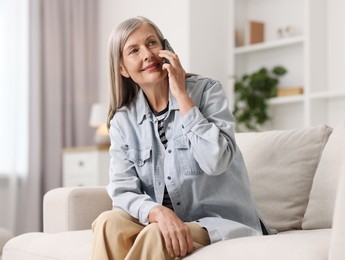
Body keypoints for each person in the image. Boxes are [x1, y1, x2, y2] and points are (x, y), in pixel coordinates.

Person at [91, 16, 268, 260]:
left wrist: (181, 95)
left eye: (152, 43)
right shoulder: (123, 120)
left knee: (157, 236)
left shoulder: (207, 91)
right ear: (122, 69)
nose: (147, 54)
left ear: (165, 48)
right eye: (134, 50)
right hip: (162, 222)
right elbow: (122, 190)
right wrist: (157, 212)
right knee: (107, 222)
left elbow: (216, 161)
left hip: (217, 222)